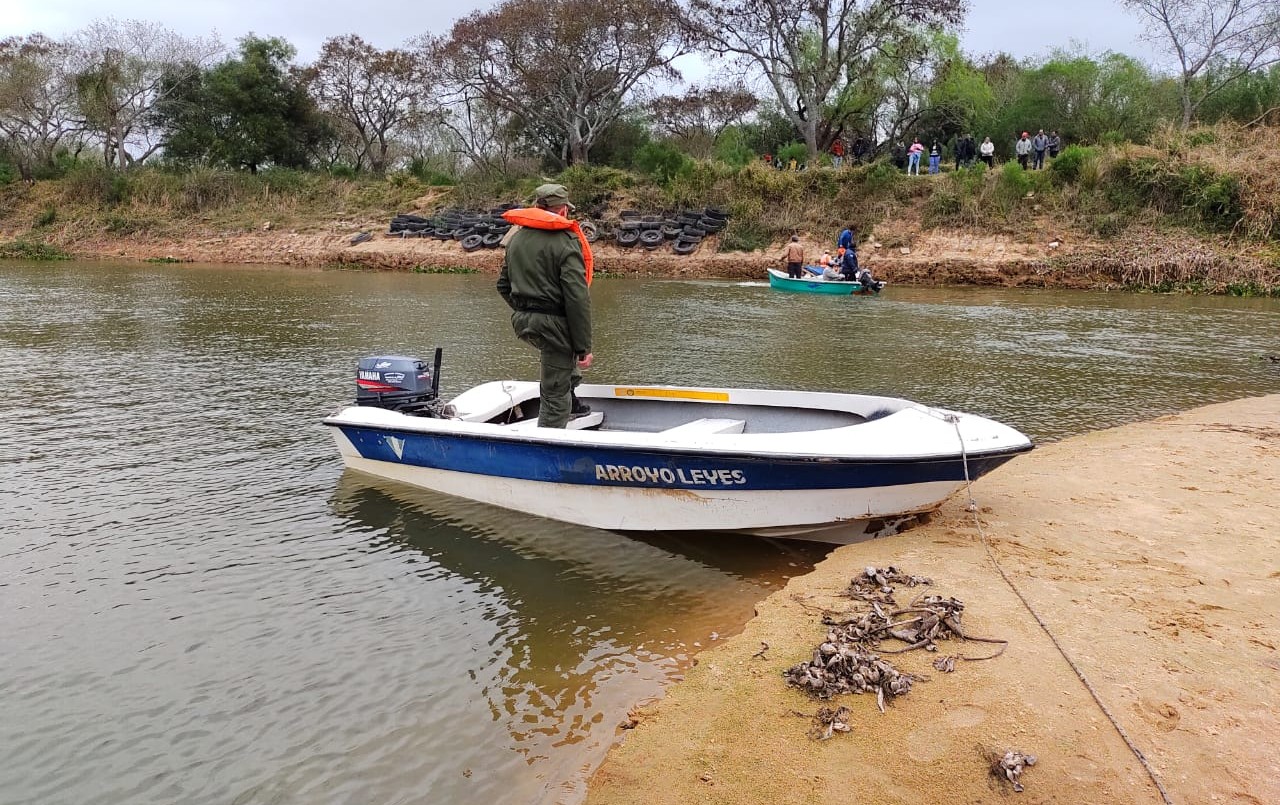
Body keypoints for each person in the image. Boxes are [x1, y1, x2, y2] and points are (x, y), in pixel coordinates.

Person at [496, 183, 594, 428]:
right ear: (562, 211)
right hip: (554, 324)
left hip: (524, 321)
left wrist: (526, 311)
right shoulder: (564, 242)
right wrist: (584, 347)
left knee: (558, 359)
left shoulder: (516, 239)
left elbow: (503, 285)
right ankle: (549, 442)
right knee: (554, 396)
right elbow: (576, 298)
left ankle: (573, 402)